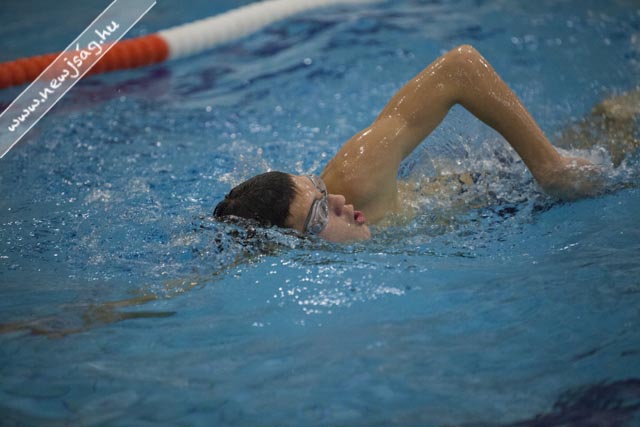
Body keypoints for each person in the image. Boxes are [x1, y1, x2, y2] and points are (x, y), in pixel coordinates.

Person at [214, 45, 606, 242]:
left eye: (319, 188)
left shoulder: (356, 177)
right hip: (495, 207)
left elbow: (460, 67)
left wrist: (550, 168)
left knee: (615, 125)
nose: (339, 201)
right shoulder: (277, 249)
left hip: (505, 180)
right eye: (319, 214)